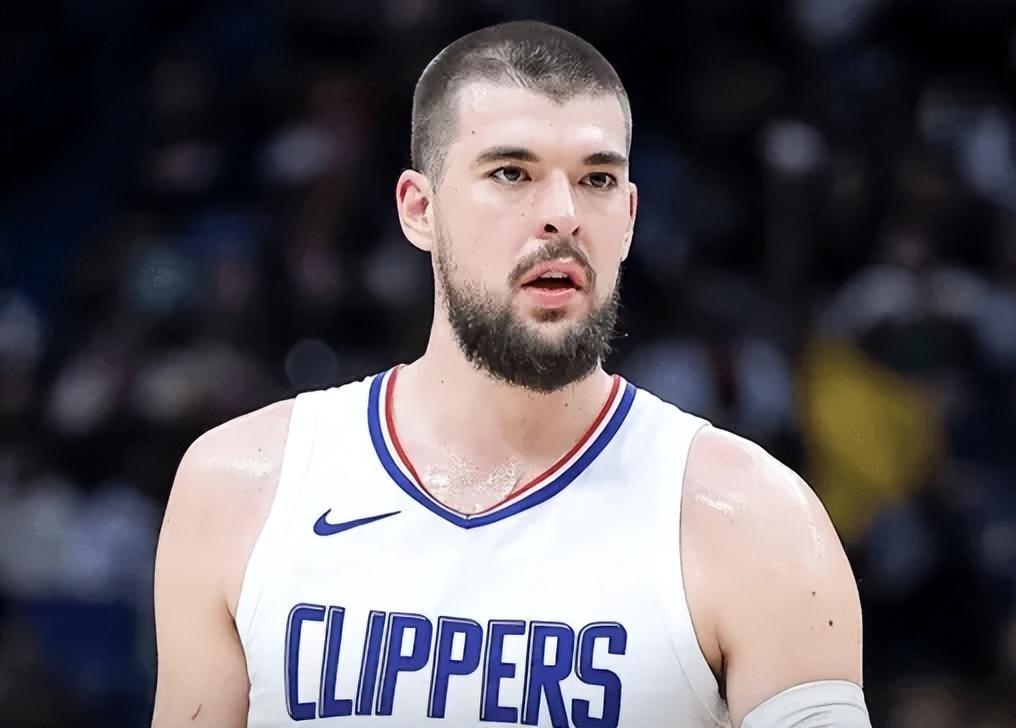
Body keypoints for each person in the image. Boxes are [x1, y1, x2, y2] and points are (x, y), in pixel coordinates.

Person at [152, 21, 870, 728]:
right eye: (511, 173)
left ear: (628, 217)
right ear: (420, 210)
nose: (562, 215)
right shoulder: (243, 487)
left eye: (596, 179)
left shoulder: (753, 522)